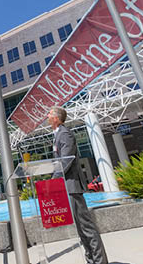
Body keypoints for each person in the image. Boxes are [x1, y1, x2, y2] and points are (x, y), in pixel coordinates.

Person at [48, 106, 108, 264]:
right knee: (81, 228)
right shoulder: (57, 135)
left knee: (85, 226)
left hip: (72, 185)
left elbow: (66, 160)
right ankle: (91, 259)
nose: (47, 117)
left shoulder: (65, 134)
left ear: (56, 118)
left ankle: (99, 260)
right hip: (67, 186)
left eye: (49, 114)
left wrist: (54, 180)